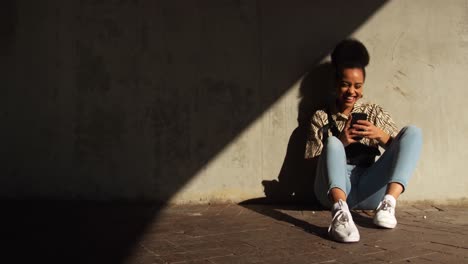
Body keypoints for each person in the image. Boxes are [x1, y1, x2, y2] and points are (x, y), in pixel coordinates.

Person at [304, 39, 422, 243]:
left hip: (369, 189)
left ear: (363, 87)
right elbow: (311, 165)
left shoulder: (373, 112)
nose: (352, 91)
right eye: (346, 85)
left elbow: (402, 151)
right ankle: (340, 215)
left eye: (357, 86)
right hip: (332, 193)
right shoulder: (321, 116)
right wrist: (342, 141)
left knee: (413, 133)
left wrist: (381, 136)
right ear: (336, 85)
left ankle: (389, 203)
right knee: (332, 143)